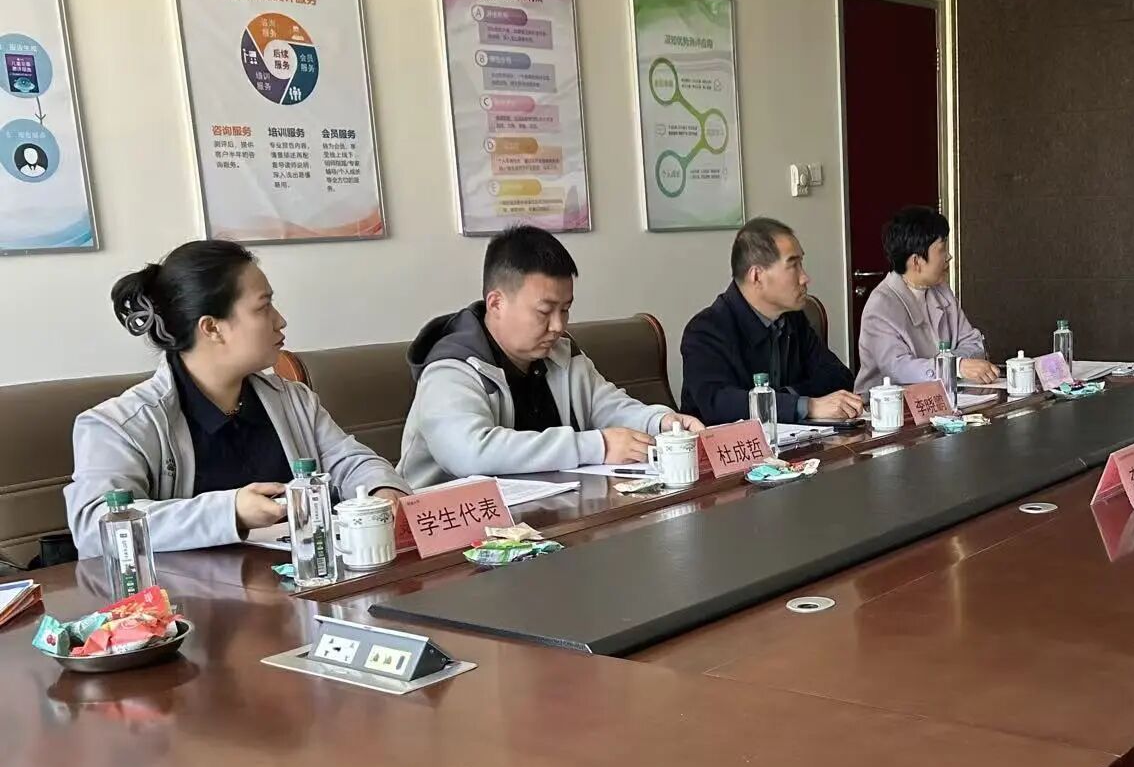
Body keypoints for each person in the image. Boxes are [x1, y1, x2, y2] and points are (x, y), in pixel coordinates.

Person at [66, 240, 409, 556]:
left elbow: (351, 462)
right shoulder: (120, 425)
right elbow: (97, 527)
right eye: (263, 307)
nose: (280, 320)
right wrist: (230, 511)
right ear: (212, 328)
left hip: (305, 585)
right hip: (190, 597)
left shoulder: (293, 401)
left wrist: (381, 490)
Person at [401, 225, 701, 486]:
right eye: (544, 311)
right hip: (457, 523)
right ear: (496, 304)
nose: (558, 326)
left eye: (565, 309)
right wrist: (596, 446)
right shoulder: (451, 367)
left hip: (545, 510)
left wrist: (661, 423)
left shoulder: (561, 353)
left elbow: (607, 406)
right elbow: (470, 452)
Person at [680, 217, 861, 425]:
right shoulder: (705, 330)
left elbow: (838, 377)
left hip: (795, 440)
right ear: (757, 276)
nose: (805, 278)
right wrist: (806, 406)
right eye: (793, 265)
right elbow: (719, 404)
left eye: (801, 264)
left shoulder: (793, 318)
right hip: (729, 445)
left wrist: (784, 397)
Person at [855, 206, 998, 392]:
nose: (949, 256)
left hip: (943, 396)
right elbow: (898, 369)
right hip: (888, 405)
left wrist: (961, 365)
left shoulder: (941, 291)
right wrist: (955, 366)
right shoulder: (881, 306)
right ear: (916, 261)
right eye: (942, 249)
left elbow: (973, 342)